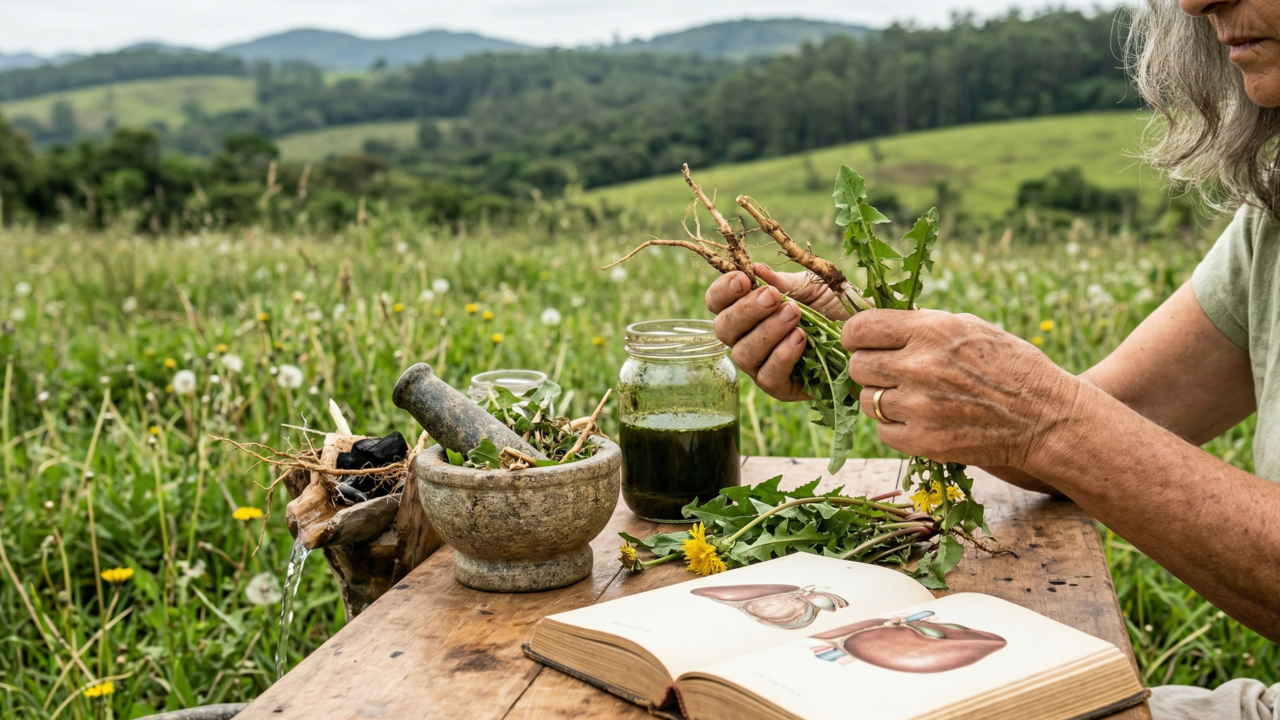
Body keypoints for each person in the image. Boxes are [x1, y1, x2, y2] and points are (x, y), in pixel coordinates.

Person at [703, 2, 1280, 719]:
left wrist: (1043, 416)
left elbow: (1066, 431)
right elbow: (1108, 425)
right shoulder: (1272, 221)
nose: (1196, 3)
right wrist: (863, 344)